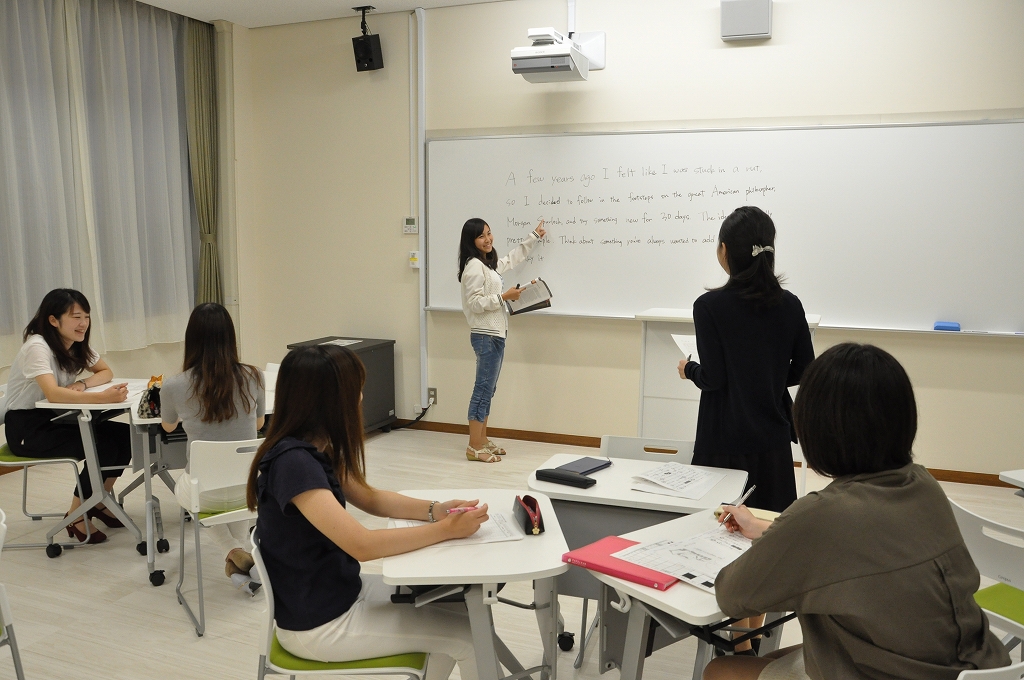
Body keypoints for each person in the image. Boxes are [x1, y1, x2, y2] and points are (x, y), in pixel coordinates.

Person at [705, 343, 1011, 680]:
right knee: (794, 654)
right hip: (974, 663)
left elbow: (732, 595)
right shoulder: (923, 484)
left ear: (815, 427)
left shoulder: (822, 514)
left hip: (894, 670)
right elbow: (861, 549)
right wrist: (765, 528)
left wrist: (778, 537)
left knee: (723, 670)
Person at [246, 344, 486, 679]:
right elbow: (362, 545)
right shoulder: (295, 464)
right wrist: (446, 531)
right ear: (328, 400)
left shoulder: (314, 446)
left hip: (337, 593)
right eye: (355, 390)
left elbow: (372, 499)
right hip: (319, 625)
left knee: (454, 605)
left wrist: (436, 511)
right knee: (471, 638)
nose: (360, 398)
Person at [678, 206, 814, 513]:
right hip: (773, 438)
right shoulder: (790, 305)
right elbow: (806, 368)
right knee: (770, 527)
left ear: (724, 250)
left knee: (716, 528)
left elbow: (714, 377)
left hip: (723, 438)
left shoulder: (709, 306)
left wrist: (689, 369)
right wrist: (771, 376)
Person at [2, 289, 131, 544]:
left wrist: (83, 384)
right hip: (27, 430)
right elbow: (52, 393)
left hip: (53, 419)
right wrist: (102, 398)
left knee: (125, 435)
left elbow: (105, 371)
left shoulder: (74, 342)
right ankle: (76, 515)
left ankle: (98, 501)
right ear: (53, 320)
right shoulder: (37, 347)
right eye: (75, 317)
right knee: (101, 445)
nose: (83, 324)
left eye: (86, 316)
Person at [160, 302, 265, 590]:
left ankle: (233, 553)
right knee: (231, 491)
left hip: (203, 492)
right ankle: (242, 565)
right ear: (231, 337)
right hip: (249, 491)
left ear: (191, 340)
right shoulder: (254, 375)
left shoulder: (173, 385)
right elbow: (258, 425)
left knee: (191, 489)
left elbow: (167, 426)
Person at [458, 217, 546, 462]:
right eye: (481, 236)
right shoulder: (473, 266)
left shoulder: (486, 264)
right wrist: (504, 297)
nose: (488, 240)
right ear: (471, 241)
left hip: (495, 335)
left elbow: (511, 259)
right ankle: (474, 447)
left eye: (489, 233)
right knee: (482, 391)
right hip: (485, 336)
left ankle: (482, 440)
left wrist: (534, 237)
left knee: (488, 390)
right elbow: (474, 303)